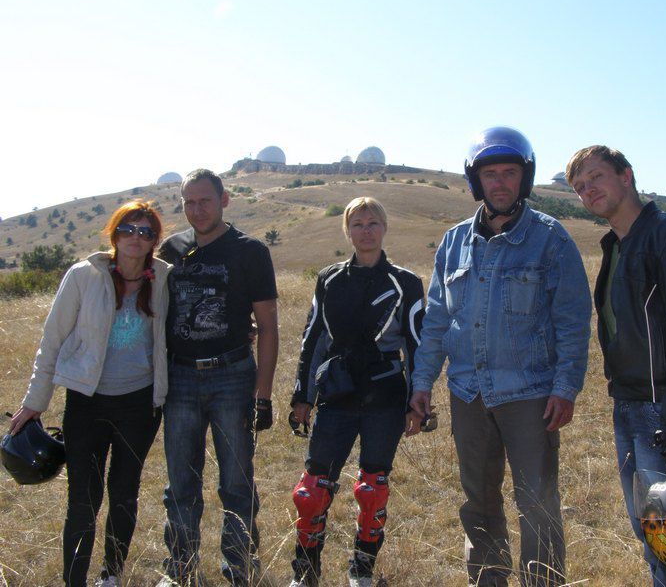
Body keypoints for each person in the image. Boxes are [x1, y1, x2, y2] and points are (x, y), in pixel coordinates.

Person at [410, 127, 592, 587]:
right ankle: (488, 579)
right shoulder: (453, 242)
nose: (500, 182)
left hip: (529, 393)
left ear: (524, 178)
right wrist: (422, 383)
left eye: (510, 173)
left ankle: (542, 581)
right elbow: (436, 320)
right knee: (479, 500)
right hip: (467, 392)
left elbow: (573, 321)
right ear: (476, 181)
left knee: (537, 501)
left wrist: (566, 388)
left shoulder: (550, 239)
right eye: (490, 174)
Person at [565, 145, 666, 587]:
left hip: (664, 411)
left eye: (596, 177)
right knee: (651, 533)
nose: (587, 190)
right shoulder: (618, 245)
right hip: (629, 406)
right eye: (579, 187)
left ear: (626, 175)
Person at [9, 201, 169, 587]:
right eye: (128, 229)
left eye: (145, 231)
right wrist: (35, 401)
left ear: (154, 240)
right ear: (114, 234)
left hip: (140, 404)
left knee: (124, 493)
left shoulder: (165, 278)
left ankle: (110, 575)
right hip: (86, 402)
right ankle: (74, 580)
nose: (135, 237)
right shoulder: (84, 275)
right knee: (83, 498)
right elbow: (52, 339)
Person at [288, 197, 425, 587]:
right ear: (347, 230)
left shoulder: (406, 281)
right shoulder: (329, 278)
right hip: (337, 394)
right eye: (358, 224)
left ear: (385, 228)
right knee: (312, 491)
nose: (366, 231)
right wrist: (302, 396)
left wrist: (417, 401)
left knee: (372, 489)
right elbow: (313, 338)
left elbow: (417, 345)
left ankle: (361, 570)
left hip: (385, 397)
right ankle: (305, 573)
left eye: (373, 223)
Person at [156, 169, 279, 587]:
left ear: (224, 200)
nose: (197, 210)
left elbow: (268, 328)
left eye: (204, 200)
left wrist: (263, 395)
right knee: (180, 484)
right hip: (179, 378)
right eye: (189, 202)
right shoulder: (171, 250)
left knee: (237, 482)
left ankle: (239, 567)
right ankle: (180, 570)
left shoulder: (251, 251)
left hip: (233, 376)